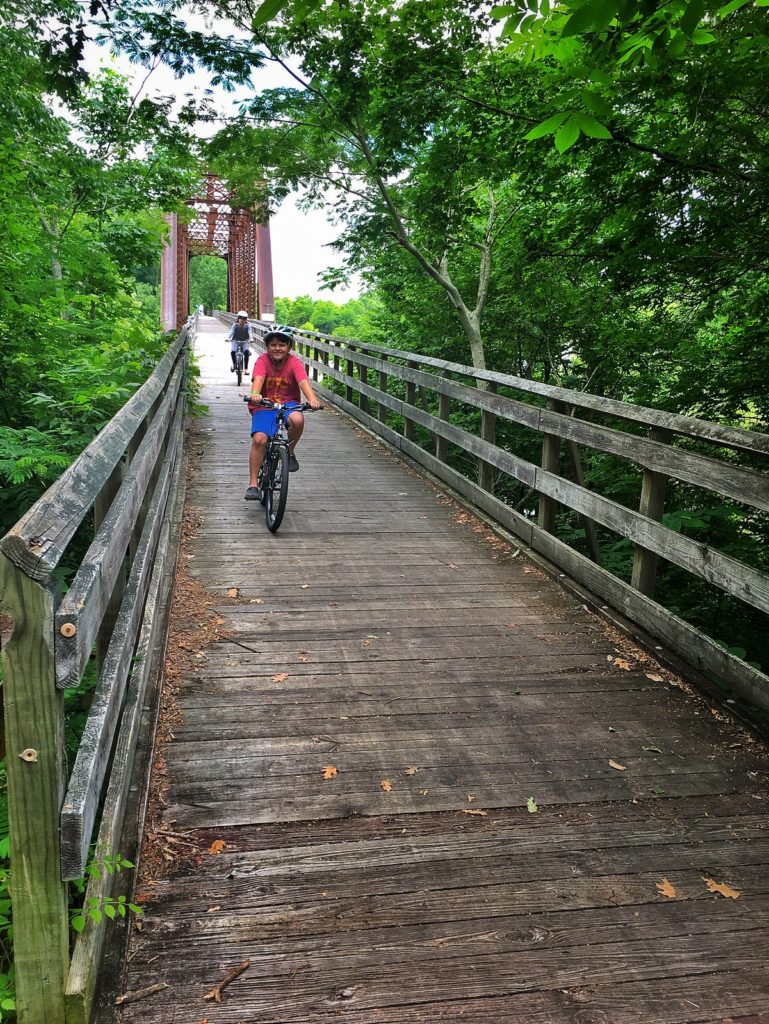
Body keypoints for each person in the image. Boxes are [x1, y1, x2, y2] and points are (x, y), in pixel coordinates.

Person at [244, 327, 321, 500]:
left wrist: (312, 399)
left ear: (289, 347)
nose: (277, 348)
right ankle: (253, 484)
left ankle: (289, 452)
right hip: (264, 404)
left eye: (282, 345)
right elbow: (259, 378)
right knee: (260, 439)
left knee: (298, 419)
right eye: (273, 345)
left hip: (288, 404)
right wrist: (255, 393)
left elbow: (302, 380)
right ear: (267, 347)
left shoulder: (294, 362)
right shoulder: (262, 361)